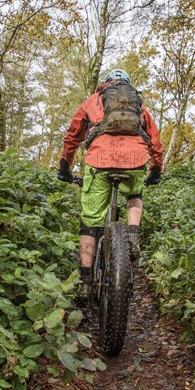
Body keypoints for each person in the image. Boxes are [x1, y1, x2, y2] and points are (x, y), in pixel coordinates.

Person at [58, 68, 164, 296]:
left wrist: (65, 168)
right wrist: (155, 170)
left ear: (105, 85)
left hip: (99, 162)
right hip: (135, 160)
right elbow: (155, 142)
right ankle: (133, 236)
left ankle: (85, 282)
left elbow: (71, 138)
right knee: (135, 194)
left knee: (90, 222)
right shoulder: (139, 106)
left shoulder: (92, 102)